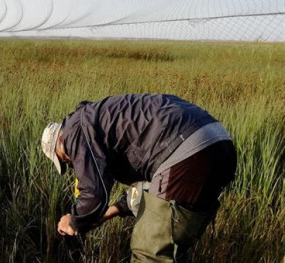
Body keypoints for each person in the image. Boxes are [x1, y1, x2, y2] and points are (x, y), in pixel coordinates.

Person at [41, 93, 237, 262]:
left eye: (65, 159)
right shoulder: (105, 119)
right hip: (219, 143)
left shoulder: (75, 131)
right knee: (171, 250)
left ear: (60, 139)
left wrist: (75, 220)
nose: (71, 163)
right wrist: (108, 214)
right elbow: (148, 187)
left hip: (186, 153)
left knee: (149, 252)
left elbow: (94, 194)